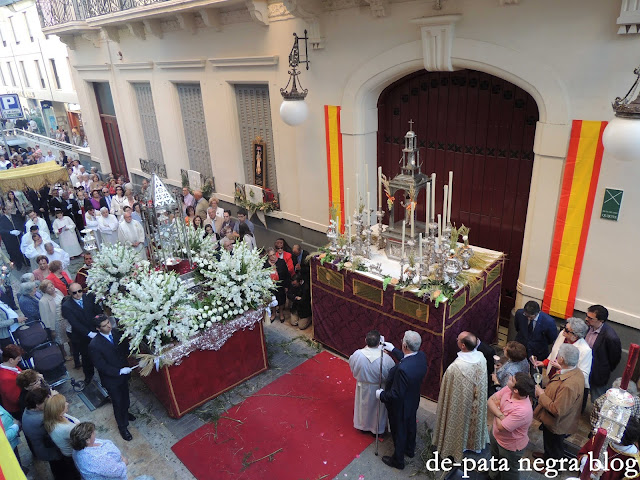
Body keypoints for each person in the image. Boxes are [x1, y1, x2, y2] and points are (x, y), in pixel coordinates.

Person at [376, 331, 427, 470]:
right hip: (413, 400)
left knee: (399, 431)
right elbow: (407, 359)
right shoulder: (421, 357)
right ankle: (410, 449)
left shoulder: (403, 369)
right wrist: (393, 350)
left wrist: (381, 395)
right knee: (411, 424)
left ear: (404, 344)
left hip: (400, 406)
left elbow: (395, 394)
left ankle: (398, 460)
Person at [434, 331, 489, 462]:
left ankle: (454, 447)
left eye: (458, 340)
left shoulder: (456, 367)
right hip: (475, 402)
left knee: (458, 421)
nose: (456, 341)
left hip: (460, 406)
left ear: (463, 346)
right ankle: (473, 445)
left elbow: (446, 392)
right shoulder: (481, 357)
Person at [533, 343, 584, 461]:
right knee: (549, 443)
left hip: (557, 423)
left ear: (561, 359)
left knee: (554, 445)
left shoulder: (569, 385)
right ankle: (547, 456)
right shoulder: (575, 371)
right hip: (555, 421)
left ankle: (553, 466)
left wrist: (541, 394)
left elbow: (557, 410)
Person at [89, 315, 136, 441]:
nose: (108, 326)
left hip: (124, 374)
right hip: (112, 379)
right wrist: (118, 371)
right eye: (104, 326)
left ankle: (126, 413)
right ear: (98, 329)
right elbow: (101, 365)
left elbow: (124, 348)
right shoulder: (95, 345)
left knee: (125, 397)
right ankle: (122, 426)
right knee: (118, 402)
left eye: (108, 323)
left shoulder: (115, 333)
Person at [534, 317, 592, 410]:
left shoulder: (585, 350)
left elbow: (582, 375)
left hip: (565, 386)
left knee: (557, 406)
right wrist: (544, 363)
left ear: (575, 336)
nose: (563, 331)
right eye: (565, 327)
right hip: (553, 378)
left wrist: (562, 369)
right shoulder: (562, 335)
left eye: (567, 330)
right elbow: (554, 352)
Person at [486, 372, 535, 480]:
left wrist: (497, 408)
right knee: (495, 461)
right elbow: (490, 401)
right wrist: (500, 414)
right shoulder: (509, 389)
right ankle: (492, 477)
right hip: (496, 436)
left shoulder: (523, 410)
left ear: (516, 390)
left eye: (512, 379)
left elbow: (502, 427)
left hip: (509, 446)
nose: (509, 378)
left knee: (509, 472)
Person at [22, 387, 79, 479]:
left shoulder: (29, 410)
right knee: (63, 470)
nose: (48, 402)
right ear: (37, 405)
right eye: (46, 401)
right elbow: (55, 415)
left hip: (43, 446)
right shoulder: (40, 419)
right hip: (50, 451)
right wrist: (56, 400)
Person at [349, 330, 395, 435]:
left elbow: (352, 365)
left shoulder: (357, 354)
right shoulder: (386, 359)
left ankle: (362, 426)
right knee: (377, 411)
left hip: (363, 386)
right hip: (379, 388)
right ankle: (376, 430)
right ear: (379, 343)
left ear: (366, 340)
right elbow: (391, 374)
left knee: (363, 407)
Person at [71, 422, 145, 480]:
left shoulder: (79, 447)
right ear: (87, 440)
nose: (95, 433)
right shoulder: (96, 459)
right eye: (93, 433)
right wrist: (124, 462)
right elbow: (115, 471)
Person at [61, 284, 102, 386]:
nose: (78, 294)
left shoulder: (89, 297)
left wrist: (99, 326)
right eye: (74, 293)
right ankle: (89, 377)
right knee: (86, 357)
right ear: (70, 293)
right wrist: (89, 333)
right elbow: (75, 323)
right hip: (81, 336)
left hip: (95, 330)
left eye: (80, 291)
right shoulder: (67, 306)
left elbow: (97, 311)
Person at [585, 304, 622, 402]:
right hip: (584, 368)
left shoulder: (610, 337)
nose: (586, 319)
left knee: (597, 401)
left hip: (597, 373)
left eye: (590, 318)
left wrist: (602, 368)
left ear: (601, 320)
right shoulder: (588, 327)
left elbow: (614, 359)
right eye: (587, 316)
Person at [44, 393, 81, 459]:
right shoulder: (65, 428)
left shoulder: (54, 417)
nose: (67, 403)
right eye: (64, 403)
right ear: (59, 410)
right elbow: (81, 438)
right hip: (73, 453)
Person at [39, 279, 68, 356]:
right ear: (45, 290)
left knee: (69, 335)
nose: (52, 288)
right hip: (56, 321)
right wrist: (51, 330)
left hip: (65, 318)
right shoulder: (43, 301)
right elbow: (45, 317)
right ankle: (63, 354)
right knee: (60, 339)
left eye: (52, 286)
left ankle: (72, 351)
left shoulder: (57, 292)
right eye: (49, 288)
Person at [265, 247, 289, 323]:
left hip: (280, 285)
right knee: (272, 300)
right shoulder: (265, 264)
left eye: (273, 254)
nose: (273, 257)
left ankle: (281, 313)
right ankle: (274, 313)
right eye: (270, 255)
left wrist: (286, 286)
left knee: (281, 299)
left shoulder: (281, 262)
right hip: (270, 286)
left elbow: (286, 275)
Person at [0, 344, 24, 418]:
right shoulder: (6, 378)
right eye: (18, 359)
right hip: (18, 409)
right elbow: (15, 399)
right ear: (11, 360)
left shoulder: (11, 366)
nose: (19, 361)